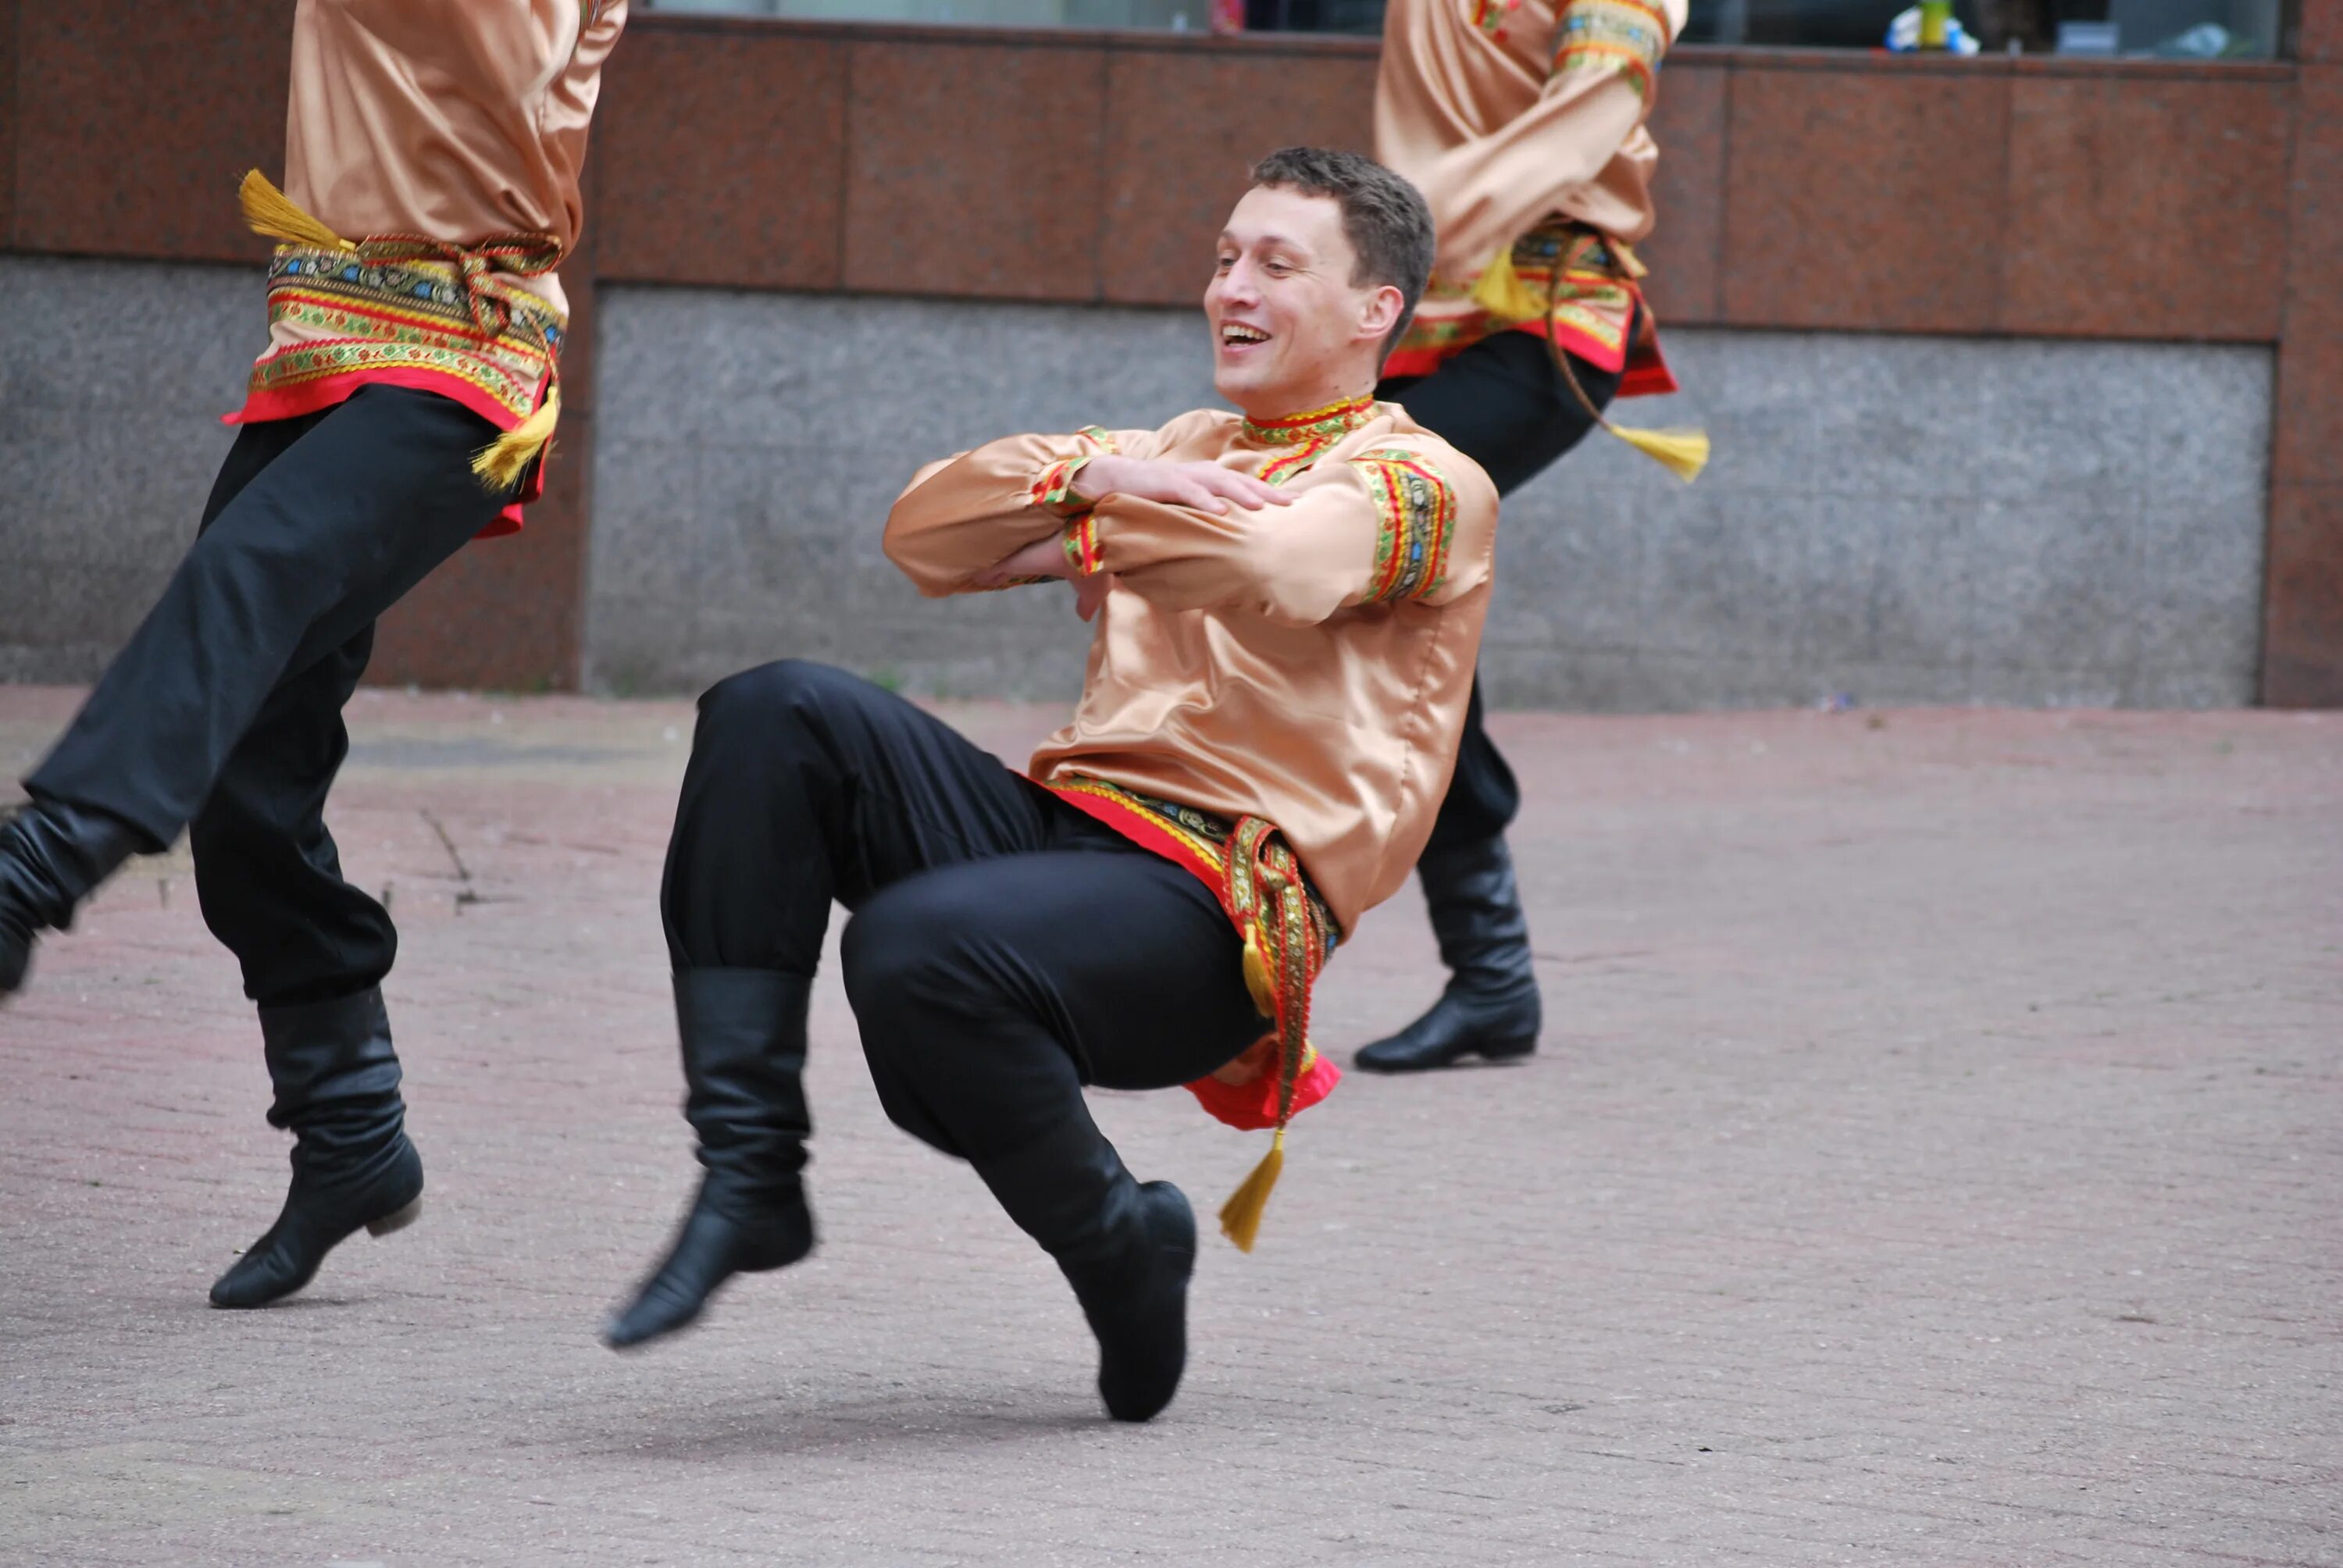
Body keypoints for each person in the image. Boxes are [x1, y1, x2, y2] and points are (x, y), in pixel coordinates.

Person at [602, 148, 1499, 1424]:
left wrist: (1092, 523)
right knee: (773, 711)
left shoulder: (1429, 486)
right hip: (1067, 837)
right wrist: (1103, 477)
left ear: (1375, 311)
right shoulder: (1176, 449)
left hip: (1223, 907)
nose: (1230, 287)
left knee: (920, 951)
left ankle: (1119, 1243)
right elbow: (920, 535)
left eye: (1276, 264)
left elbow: (1284, 567)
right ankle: (750, 1171)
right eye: (1225, 256)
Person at [0, 0, 628, 1309]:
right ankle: (351, 1128)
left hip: (465, 366)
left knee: (250, 572)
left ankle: (40, 863)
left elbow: (501, 62)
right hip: (324, 350)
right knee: (247, 768)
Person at [1353, 0, 1698, 1074]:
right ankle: (1490, 979)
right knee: (1398, 617)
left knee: (1350, 543)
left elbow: (1587, 117)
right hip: (1418, 317)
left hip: (1542, 318)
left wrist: (1388, 234)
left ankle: (1247, 950)